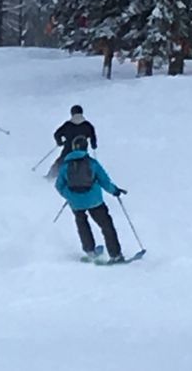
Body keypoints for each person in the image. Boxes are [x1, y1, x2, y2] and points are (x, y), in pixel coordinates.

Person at [54, 136, 127, 264]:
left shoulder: (66, 165)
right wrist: (115, 191)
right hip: (95, 201)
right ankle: (115, 255)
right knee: (106, 225)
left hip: (76, 203)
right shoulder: (92, 163)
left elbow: (59, 186)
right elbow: (104, 181)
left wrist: (70, 195)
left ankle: (90, 251)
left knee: (82, 224)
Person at [47, 104, 96, 178]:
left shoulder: (68, 125)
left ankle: (50, 177)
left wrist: (60, 142)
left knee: (60, 162)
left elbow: (57, 134)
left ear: (72, 113)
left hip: (68, 150)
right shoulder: (87, 125)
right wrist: (93, 145)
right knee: (86, 163)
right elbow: (93, 137)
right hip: (82, 150)